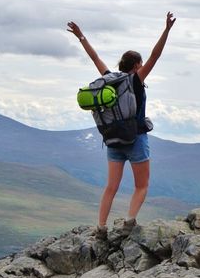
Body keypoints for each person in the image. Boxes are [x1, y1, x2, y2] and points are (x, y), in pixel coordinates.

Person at [67, 12, 176, 238]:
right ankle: (129, 221)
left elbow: (95, 58)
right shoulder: (135, 80)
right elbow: (156, 56)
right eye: (141, 64)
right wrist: (166, 31)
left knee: (111, 187)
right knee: (141, 185)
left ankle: (101, 227)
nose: (144, 65)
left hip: (113, 139)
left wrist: (81, 37)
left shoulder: (109, 79)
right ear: (137, 65)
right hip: (136, 139)